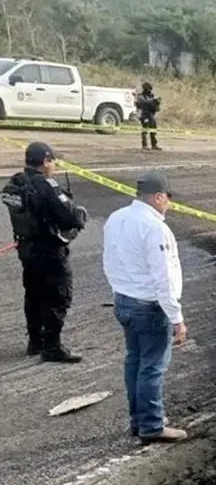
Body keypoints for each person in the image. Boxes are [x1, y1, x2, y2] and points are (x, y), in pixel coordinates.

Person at [102, 171, 187, 444]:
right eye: (168, 198)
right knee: (152, 367)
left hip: (124, 300)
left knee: (134, 362)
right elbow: (164, 276)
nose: (169, 204)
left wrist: (119, 292)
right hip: (149, 307)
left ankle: (138, 420)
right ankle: (152, 425)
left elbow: (108, 261)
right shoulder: (155, 228)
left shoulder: (116, 218)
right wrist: (177, 318)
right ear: (159, 197)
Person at [1, 141, 88, 362]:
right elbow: (71, 217)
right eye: (53, 161)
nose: (54, 165)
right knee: (57, 296)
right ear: (46, 161)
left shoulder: (15, 184)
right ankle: (52, 346)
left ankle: (35, 341)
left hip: (26, 249)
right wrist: (77, 211)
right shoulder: (46, 186)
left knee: (33, 294)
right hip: (49, 250)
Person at [135, 82, 162, 151]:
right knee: (145, 130)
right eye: (149, 88)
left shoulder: (152, 96)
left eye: (150, 89)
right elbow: (142, 104)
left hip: (151, 115)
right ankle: (144, 145)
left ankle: (154, 145)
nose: (150, 90)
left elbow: (155, 106)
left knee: (153, 129)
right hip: (144, 114)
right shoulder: (141, 96)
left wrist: (157, 103)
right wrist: (153, 101)